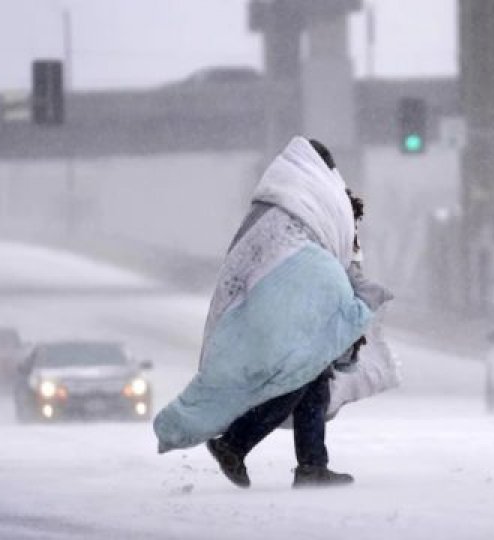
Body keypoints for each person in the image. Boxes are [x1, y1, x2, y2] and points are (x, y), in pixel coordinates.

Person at [153, 136, 391, 489]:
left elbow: (247, 255)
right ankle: (235, 443)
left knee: (312, 377)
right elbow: (337, 246)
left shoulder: (273, 203)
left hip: (272, 300)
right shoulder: (318, 198)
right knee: (298, 374)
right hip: (290, 299)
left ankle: (311, 465)